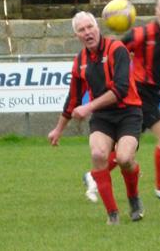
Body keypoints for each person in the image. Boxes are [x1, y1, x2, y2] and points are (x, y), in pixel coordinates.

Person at [83, 0, 160, 202]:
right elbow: (115, 50)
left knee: (125, 153)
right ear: (156, 12)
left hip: (155, 95)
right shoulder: (142, 34)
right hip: (137, 92)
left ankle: (93, 176)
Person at [48, 11, 144, 225]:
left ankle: (134, 198)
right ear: (77, 36)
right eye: (81, 30)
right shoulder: (80, 60)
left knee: (125, 159)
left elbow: (120, 89)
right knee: (99, 154)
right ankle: (112, 215)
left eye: (90, 27)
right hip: (102, 117)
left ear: (98, 27)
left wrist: (89, 106)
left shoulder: (117, 49)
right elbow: (72, 98)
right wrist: (58, 129)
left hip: (129, 112)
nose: (87, 32)